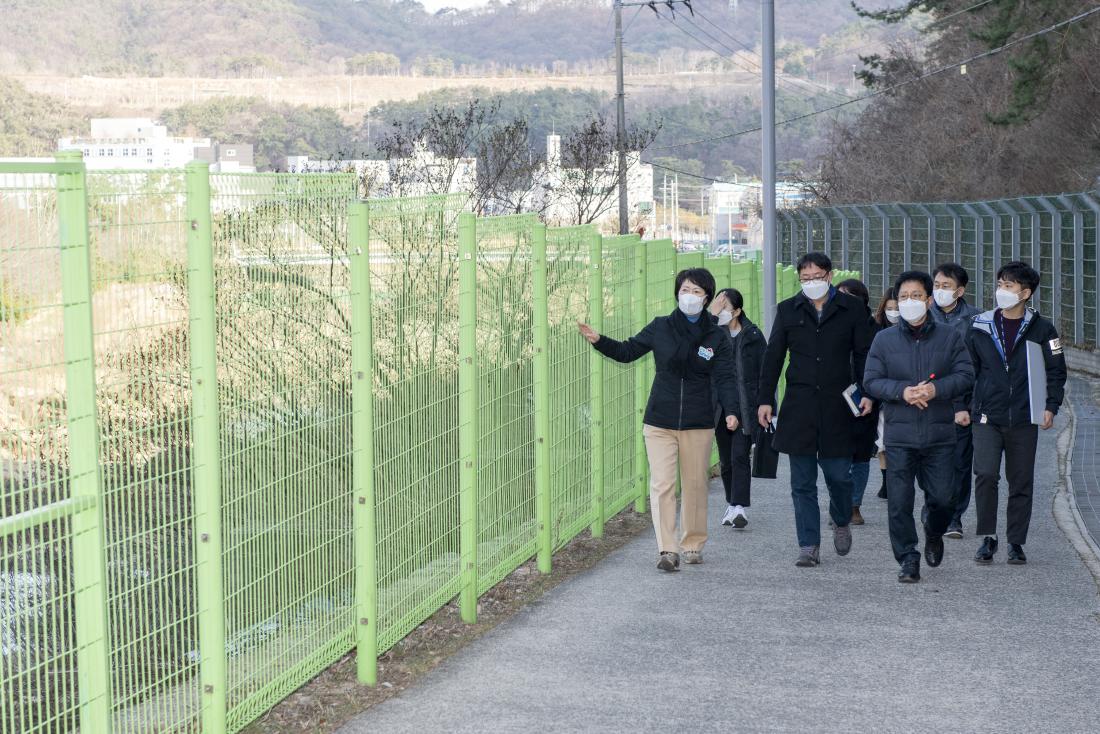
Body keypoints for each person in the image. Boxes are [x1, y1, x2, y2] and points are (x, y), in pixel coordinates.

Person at [579, 268, 741, 572]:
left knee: (694, 485)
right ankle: (668, 549)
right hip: (659, 420)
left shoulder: (715, 335)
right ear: (677, 293)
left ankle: (692, 544)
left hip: (698, 421)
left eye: (696, 291)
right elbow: (627, 351)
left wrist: (732, 410)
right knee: (663, 484)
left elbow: (726, 377)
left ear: (706, 297)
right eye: (684, 289)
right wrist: (599, 340)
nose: (689, 296)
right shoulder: (661, 326)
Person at [758, 252, 874, 568]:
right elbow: (773, 357)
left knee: (839, 476)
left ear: (830, 276)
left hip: (839, 406)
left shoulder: (850, 309)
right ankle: (808, 545)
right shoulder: (788, 309)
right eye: (805, 278)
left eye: (817, 277)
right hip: (800, 406)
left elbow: (864, 354)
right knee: (802, 483)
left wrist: (866, 392)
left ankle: (841, 518)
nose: (811, 283)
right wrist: (765, 399)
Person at [864, 271, 974, 583]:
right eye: (903, 297)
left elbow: (966, 375)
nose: (909, 301)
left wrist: (934, 390)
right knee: (899, 503)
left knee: (943, 499)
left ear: (928, 300)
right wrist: (904, 392)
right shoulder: (884, 339)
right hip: (900, 435)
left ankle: (934, 531)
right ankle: (908, 558)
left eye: (916, 296)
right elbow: (871, 380)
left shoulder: (949, 336)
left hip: (939, 434)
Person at [967, 261, 1067, 566]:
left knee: (1021, 481)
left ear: (1025, 293)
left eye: (1009, 286)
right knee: (985, 475)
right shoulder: (979, 326)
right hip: (986, 415)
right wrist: (964, 407)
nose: (1002, 291)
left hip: (1024, 417)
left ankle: (1015, 542)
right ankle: (988, 537)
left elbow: (1056, 371)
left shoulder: (1043, 329)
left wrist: (1051, 406)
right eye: (1000, 284)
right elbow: (967, 370)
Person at [929, 263, 982, 539]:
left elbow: (978, 365)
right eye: (936, 285)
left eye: (946, 286)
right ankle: (933, 509)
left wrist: (966, 405)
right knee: (930, 461)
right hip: (928, 400)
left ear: (959, 291)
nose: (940, 290)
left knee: (960, 463)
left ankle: (954, 518)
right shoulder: (922, 314)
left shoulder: (976, 320)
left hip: (962, 403)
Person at [708, 288, 766, 529]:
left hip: (745, 406)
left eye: (725, 307)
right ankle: (731, 504)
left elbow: (765, 372)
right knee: (726, 459)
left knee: (739, 455)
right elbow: (700, 358)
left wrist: (766, 404)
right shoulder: (711, 334)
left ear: (737, 311)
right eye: (717, 306)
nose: (719, 311)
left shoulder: (753, 335)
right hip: (719, 407)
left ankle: (739, 506)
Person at [837, 278, 878, 526]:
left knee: (861, 456)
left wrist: (870, 394)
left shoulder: (875, 330)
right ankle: (839, 504)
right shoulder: (830, 326)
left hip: (866, 399)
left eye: (848, 296)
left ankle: (854, 505)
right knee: (837, 456)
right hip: (836, 399)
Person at [871, 287, 898, 499]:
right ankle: (886, 479)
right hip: (881, 394)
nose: (893, 312)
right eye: (889, 308)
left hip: (902, 392)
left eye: (896, 307)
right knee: (882, 441)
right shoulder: (876, 330)